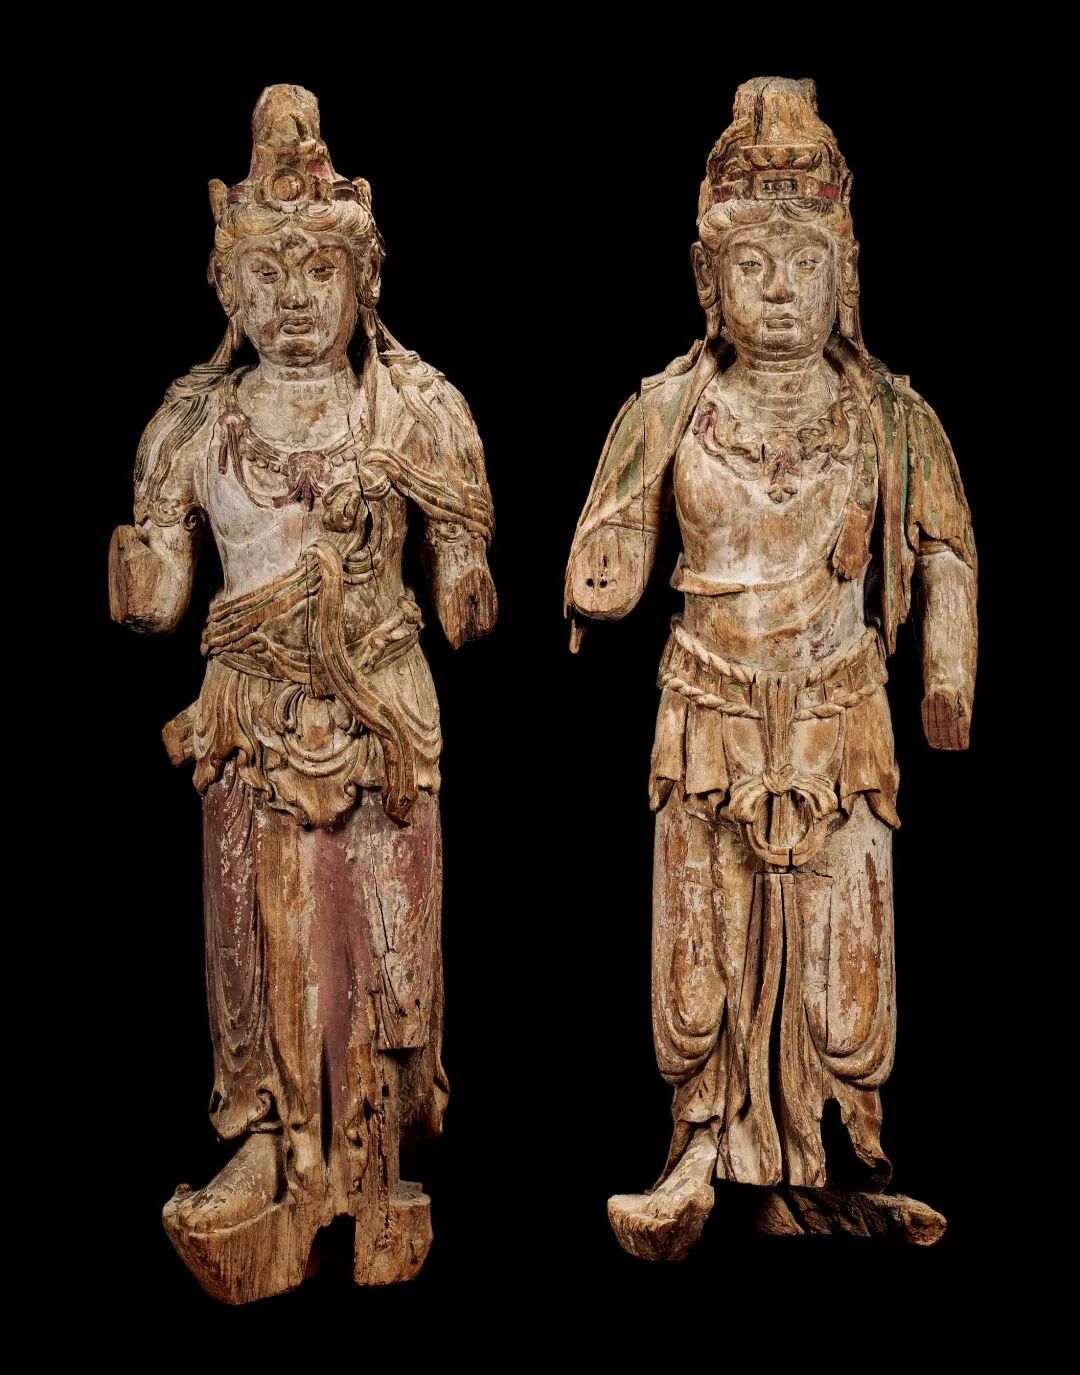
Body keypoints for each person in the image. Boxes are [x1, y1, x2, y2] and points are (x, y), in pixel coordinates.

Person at [565, 77, 976, 1254]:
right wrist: (599, 572)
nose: (782, 290)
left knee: (841, 957)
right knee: (707, 946)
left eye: (805, 263)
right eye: (754, 266)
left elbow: (946, 549)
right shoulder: (668, 409)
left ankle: (836, 1152)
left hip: (841, 713)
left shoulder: (890, 415)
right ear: (709, 280)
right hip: (709, 707)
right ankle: (702, 1143)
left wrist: (947, 674)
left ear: (847, 272)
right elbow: (608, 550)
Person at [109, 85, 496, 1301]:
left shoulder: (416, 410)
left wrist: (461, 572)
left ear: (363, 277)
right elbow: (160, 594)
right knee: (259, 931)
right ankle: (271, 1136)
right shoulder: (193, 424)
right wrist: (139, 574)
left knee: (377, 932)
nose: (292, 296)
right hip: (251, 712)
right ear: (226, 286)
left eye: (318, 268)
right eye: (267, 272)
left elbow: (467, 591)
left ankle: (374, 1153)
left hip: (379, 711)